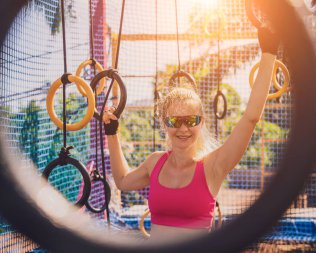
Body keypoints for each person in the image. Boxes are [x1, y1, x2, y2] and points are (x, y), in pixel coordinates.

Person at [102, 27, 279, 244]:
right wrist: (112, 133)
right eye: (175, 121)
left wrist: (269, 52)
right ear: (165, 123)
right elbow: (122, 181)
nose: (183, 129)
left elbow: (251, 117)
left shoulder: (213, 166)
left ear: (201, 121)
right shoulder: (155, 163)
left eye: (191, 121)